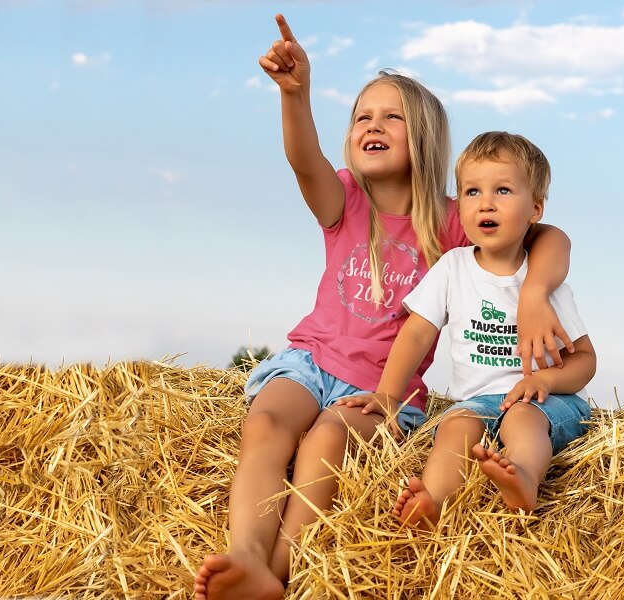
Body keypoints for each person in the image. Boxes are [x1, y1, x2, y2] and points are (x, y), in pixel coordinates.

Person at [193, 15, 578, 600]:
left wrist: (530, 293)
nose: (372, 125)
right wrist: (296, 96)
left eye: (390, 116)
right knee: (266, 423)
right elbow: (304, 162)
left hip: (381, 389)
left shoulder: (454, 221)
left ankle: (278, 572)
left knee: (328, 436)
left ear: (421, 134)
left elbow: (548, 237)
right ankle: (246, 552)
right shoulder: (343, 198)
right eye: (361, 117)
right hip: (308, 361)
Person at [338, 131, 596, 529]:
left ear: (535, 209)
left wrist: (546, 379)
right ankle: (434, 501)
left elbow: (585, 360)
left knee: (521, 421)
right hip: (475, 401)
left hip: (546, 404)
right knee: (454, 429)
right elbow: (417, 333)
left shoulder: (544, 286)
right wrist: (390, 394)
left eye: (504, 190)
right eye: (472, 192)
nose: (486, 202)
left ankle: (524, 478)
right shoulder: (453, 267)